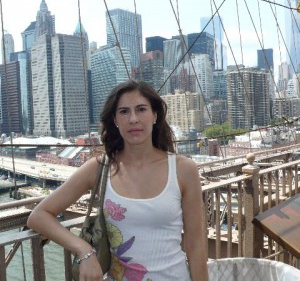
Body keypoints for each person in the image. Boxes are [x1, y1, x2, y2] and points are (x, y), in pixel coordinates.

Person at [27, 79, 208, 281]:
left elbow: (195, 244)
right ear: (114, 120)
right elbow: (38, 216)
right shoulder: (100, 168)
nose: (133, 119)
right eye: (124, 112)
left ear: (155, 115)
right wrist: (84, 250)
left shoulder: (183, 170)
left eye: (141, 109)